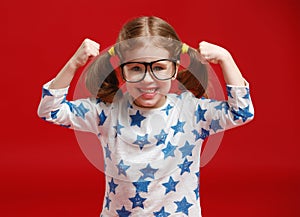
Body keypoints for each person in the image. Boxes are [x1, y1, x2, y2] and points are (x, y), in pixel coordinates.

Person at [38, 16, 254, 217]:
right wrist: (73, 64)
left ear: (175, 68)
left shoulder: (192, 112)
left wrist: (226, 59)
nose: (147, 80)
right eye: (135, 68)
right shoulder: (107, 112)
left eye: (159, 67)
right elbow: (50, 110)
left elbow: (241, 112)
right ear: (123, 71)